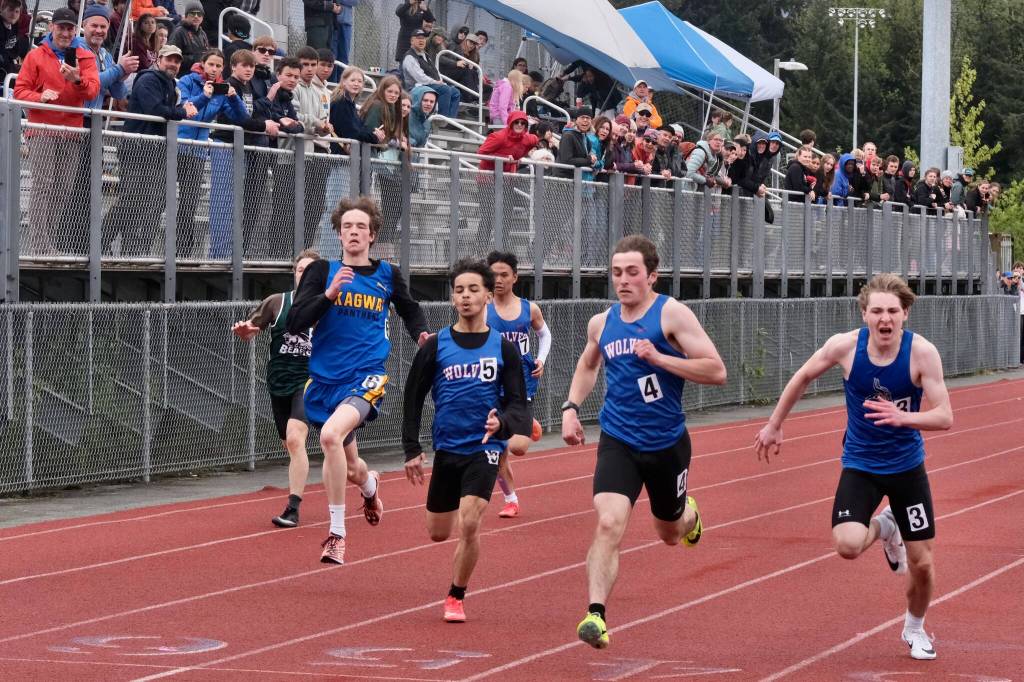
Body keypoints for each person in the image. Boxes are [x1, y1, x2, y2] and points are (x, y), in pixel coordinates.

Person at [754, 273, 952, 661]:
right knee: (846, 545)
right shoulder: (844, 347)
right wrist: (775, 423)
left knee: (923, 565)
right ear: (864, 314)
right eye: (877, 310)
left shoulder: (921, 353)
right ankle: (885, 525)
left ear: (905, 313)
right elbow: (803, 376)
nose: (885, 319)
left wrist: (903, 418)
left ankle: (914, 628)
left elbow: (945, 416)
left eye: (893, 311)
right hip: (860, 463)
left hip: (906, 466)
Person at [562, 235, 727, 649]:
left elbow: (715, 370)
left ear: (651, 275)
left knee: (670, 532)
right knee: (608, 521)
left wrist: (660, 358)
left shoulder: (671, 314)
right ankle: (595, 615)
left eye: (632, 272)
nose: (623, 280)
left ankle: (689, 514)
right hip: (618, 439)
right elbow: (587, 364)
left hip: (667, 443)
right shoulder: (601, 323)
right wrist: (569, 407)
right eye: (617, 272)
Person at [287, 196, 430, 565]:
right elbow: (296, 321)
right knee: (352, 468)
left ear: (372, 235)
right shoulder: (321, 271)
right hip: (324, 381)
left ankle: (336, 534)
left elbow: (410, 308)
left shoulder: (386, 274)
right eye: (347, 226)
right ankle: (370, 487)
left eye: (361, 227)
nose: (354, 232)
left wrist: (422, 335)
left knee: (330, 436)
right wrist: (330, 294)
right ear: (338, 233)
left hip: (367, 376)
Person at [402, 258, 531, 623]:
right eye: (459, 290)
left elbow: (518, 403)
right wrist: (412, 449)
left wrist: (502, 422)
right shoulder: (435, 346)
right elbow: (412, 398)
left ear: (488, 295)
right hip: (448, 448)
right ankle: (459, 505)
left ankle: (456, 595)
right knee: (437, 533)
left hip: (484, 449)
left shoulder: (504, 348)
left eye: (474, 289)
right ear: (452, 298)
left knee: (471, 522)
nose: (466, 296)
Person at [232, 250, 321, 526]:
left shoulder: (328, 307)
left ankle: (292, 509)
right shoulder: (277, 303)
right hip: (278, 383)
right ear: (294, 274)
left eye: (311, 271)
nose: (304, 274)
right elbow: (252, 326)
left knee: (295, 438)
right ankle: (365, 481)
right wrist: (245, 330)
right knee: (290, 444)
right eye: (300, 269)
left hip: (309, 382)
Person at [14, 6, 100, 255]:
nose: (65, 32)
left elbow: (92, 91)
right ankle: (40, 245)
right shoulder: (35, 56)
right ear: (51, 27)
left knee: (62, 189)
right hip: (42, 129)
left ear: (76, 30)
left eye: (70, 28)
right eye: (61, 27)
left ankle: (48, 243)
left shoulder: (85, 56)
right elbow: (19, 91)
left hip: (71, 131)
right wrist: (40, 97)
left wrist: (77, 79)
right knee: (43, 186)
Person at [101, 44, 197, 257]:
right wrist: (182, 112)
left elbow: (167, 111)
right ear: (159, 60)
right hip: (136, 148)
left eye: (177, 60)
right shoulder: (148, 79)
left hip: (155, 149)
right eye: (169, 59)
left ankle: (136, 249)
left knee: (154, 201)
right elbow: (156, 110)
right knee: (131, 199)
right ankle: (101, 241)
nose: (173, 64)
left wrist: (180, 111)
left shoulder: (172, 84)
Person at [485, 251, 549, 518]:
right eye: (493, 275)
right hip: (491, 382)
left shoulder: (528, 309)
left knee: (518, 448)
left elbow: (545, 335)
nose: (498, 280)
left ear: (514, 277)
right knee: (496, 450)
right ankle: (511, 499)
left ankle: (527, 426)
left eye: (503, 275)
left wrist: (541, 359)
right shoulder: (482, 307)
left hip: (521, 382)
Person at [169, 2, 208, 74]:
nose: (196, 16)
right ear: (186, 16)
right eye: (192, 13)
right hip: (182, 76)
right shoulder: (179, 32)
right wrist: (196, 58)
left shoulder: (202, 33)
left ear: (202, 17)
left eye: (199, 14)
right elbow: (172, 57)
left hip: (199, 75)